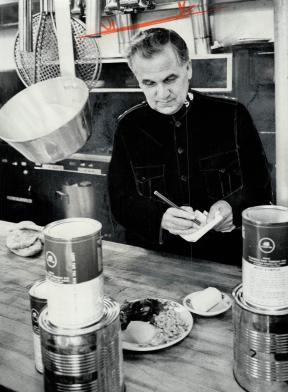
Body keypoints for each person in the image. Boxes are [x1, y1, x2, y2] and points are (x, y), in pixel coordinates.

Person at [108, 27, 272, 264]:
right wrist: (160, 218)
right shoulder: (128, 127)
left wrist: (232, 208)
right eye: (149, 83)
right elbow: (119, 202)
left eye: (170, 79)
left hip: (226, 260)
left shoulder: (232, 116)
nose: (162, 93)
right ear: (137, 79)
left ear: (188, 68)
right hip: (157, 263)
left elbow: (261, 185)